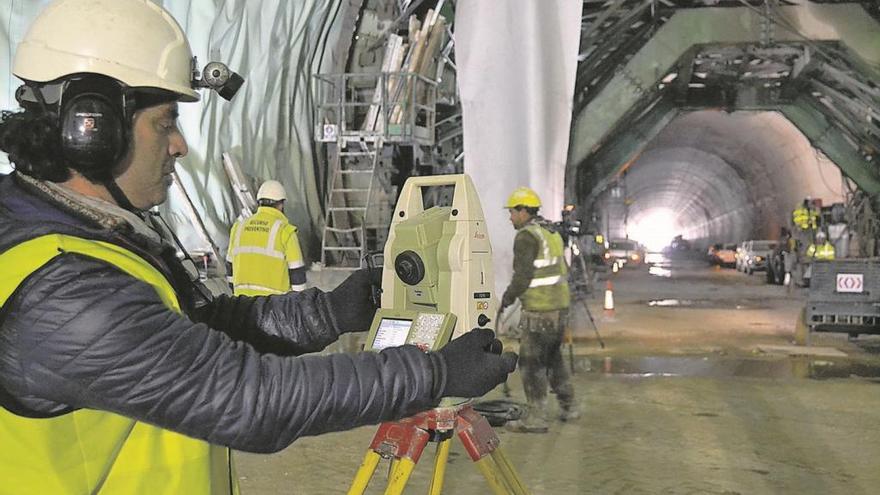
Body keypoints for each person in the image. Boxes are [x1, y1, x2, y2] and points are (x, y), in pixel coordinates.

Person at [0, 1, 517, 492]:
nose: (179, 144)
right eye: (166, 122)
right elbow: (250, 397)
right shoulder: (63, 289)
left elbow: (195, 333)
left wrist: (329, 313)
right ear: (92, 132)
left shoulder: (79, 236)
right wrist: (434, 373)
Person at [500, 186, 577, 433]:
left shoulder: (526, 237)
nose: (510, 217)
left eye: (512, 212)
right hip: (560, 307)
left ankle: (536, 417)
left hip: (540, 310)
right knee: (554, 359)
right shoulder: (551, 233)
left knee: (531, 363)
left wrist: (507, 297)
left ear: (523, 211)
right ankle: (569, 406)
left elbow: (523, 275)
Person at [226, 180, 307, 295]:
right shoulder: (285, 231)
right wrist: (299, 303)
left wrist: (236, 294)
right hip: (275, 306)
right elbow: (297, 273)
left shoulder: (238, 228)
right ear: (280, 204)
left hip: (242, 304)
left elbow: (230, 267)